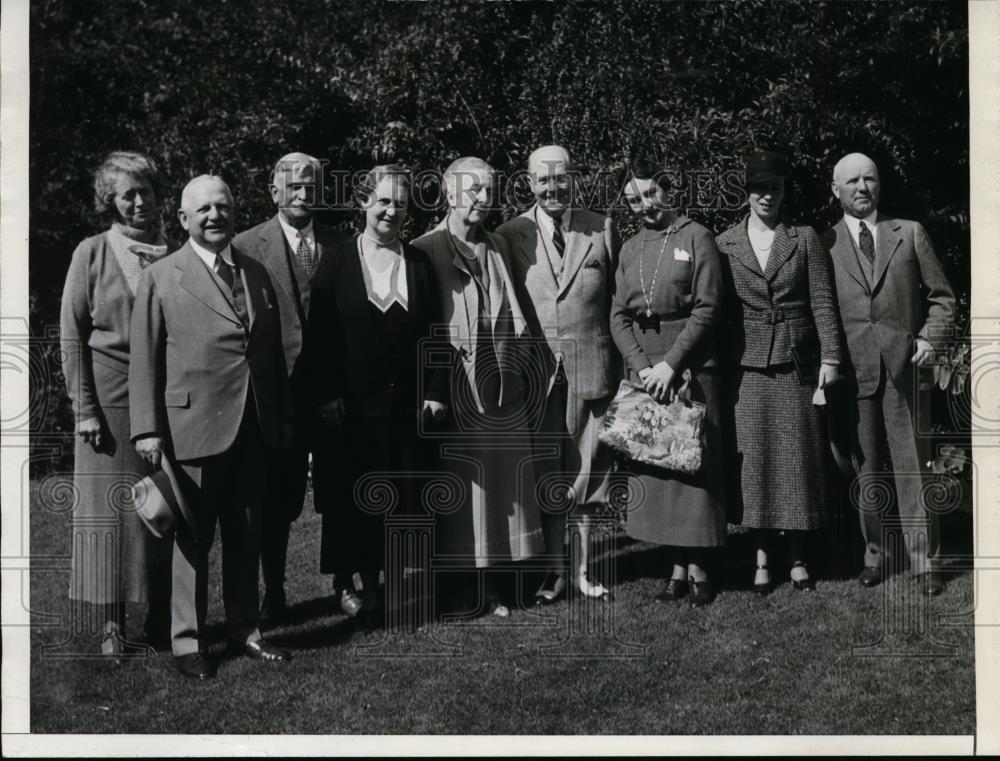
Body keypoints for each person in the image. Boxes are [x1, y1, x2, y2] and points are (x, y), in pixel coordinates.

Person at [129, 175, 293, 679]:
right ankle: (188, 643)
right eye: (202, 209)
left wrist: (280, 423)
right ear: (183, 219)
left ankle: (247, 631)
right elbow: (144, 360)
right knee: (191, 539)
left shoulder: (256, 272)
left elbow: (268, 354)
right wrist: (147, 430)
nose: (214, 216)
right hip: (190, 428)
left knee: (246, 535)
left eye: (222, 206)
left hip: (252, 428)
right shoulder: (161, 276)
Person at [301, 165, 447, 622]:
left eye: (400, 203)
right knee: (353, 497)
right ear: (364, 203)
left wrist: (437, 391)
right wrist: (326, 395)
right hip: (352, 407)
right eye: (383, 201)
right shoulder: (338, 260)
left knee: (403, 495)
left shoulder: (419, 261)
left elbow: (436, 335)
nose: (391, 210)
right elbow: (319, 337)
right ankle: (350, 582)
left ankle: (396, 584)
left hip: (406, 404)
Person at [411, 156, 545, 617]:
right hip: (457, 389)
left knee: (506, 488)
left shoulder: (498, 246)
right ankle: (467, 590)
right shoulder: (424, 249)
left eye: (489, 191)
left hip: (503, 385)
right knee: (466, 495)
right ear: (448, 194)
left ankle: (502, 583)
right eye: (473, 191)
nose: (483, 200)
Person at [821, 152, 955, 596]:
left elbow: (943, 299)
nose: (863, 187)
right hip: (855, 375)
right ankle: (874, 556)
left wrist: (930, 339)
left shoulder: (910, 233)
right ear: (836, 190)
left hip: (905, 371)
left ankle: (925, 562)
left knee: (914, 468)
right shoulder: (824, 243)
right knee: (867, 472)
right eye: (853, 181)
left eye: (870, 179)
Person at [59, 151, 173, 657]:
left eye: (145, 190)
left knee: (163, 511)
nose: (138, 201)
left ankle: (161, 619)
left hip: (167, 401)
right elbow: (71, 334)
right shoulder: (92, 252)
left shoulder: (175, 250)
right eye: (127, 193)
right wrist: (83, 408)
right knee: (108, 520)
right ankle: (111, 625)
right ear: (110, 201)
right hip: (107, 404)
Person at [716, 150, 844, 595]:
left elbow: (822, 302)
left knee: (798, 465)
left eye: (774, 188)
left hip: (797, 364)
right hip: (747, 367)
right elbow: (718, 311)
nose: (766, 196)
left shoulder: (804, 238)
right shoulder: (725, 242)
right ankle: (760, 558)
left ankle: (799, 558)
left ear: (785, 191)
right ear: (747, 192)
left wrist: (830, 359)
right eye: (758, 189)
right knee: (755, 467)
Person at [497, 145, 619, 604]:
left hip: (593, 370)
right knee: (548, 476)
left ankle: (584, 571)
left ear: (574, 178)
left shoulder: (601, 226)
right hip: (539, 377)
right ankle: (553, 572)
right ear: (529, 183)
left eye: (561, 178)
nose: (553, 187)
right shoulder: (510, 235)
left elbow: (617, 303)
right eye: (543, 180)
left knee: (589, 477)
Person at [233, 152, 350, 622]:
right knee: (275, 499)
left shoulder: (342, 243)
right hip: (276, 394)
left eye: (312, 185)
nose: (304, 193)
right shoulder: (245, 246)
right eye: (294, 185)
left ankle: (345, 584)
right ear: (274, 190)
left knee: (339, 494)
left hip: (331, 395)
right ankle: (274, 590)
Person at [609, 159, 726, 607]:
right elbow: (618, 314)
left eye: (650, 194)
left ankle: (699, 569)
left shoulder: (697, 237)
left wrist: (671, 366)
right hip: (645, 372)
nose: (643, 205)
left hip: (689, 366)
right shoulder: (631, 246)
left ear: (666, 189)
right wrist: (642, 366)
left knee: (691, 466)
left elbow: (708, 308)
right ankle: (674, 566)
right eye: (633, 200)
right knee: (656, 466)